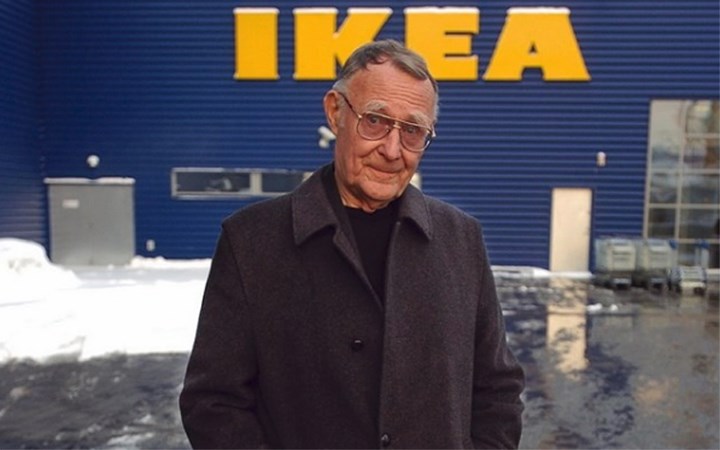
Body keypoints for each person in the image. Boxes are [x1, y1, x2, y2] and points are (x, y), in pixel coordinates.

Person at [179, 39, 525, 449]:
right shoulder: (252, 241)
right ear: (335, 112)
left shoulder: (461, 239)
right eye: (375, 121)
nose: (392, 150)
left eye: (412, 131)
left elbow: (498, 392)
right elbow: (213, 404)